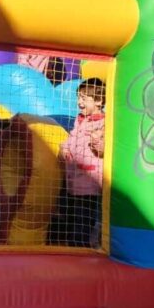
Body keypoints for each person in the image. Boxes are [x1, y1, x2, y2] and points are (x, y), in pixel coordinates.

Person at [56, 78, 106, 248]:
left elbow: (104, 150)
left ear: (98, 101)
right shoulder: (80, 121)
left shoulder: (103, 122)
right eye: (79, 97)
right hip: (73, 182)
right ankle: (73, 249)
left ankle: (82, 251)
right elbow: (71, 140)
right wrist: (64, 149)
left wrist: (97, 143)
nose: (79, 102)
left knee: (83, 222)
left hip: (89, 184)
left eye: (85, 98)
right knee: (70, 219)